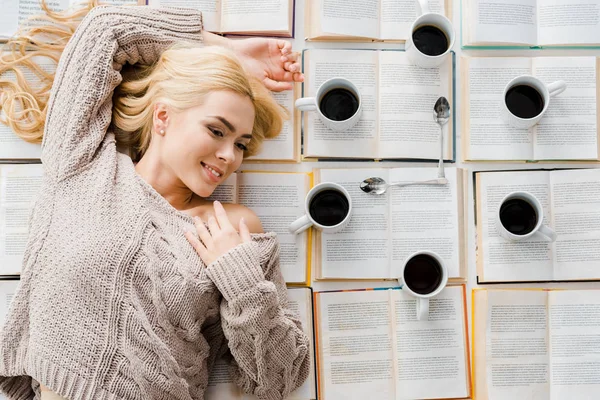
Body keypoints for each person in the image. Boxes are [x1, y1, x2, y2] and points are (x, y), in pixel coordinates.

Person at [0, 2, 310, 399]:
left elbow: (279, 380)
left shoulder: (229, 226)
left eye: (241, 144)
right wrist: (222, 51)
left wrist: (240, 279)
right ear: (163, 117)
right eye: (217, 130)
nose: (230, 156)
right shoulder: (82, 165)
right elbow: (106, 28)